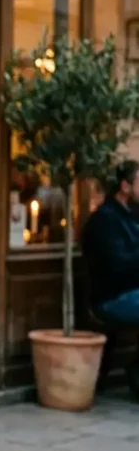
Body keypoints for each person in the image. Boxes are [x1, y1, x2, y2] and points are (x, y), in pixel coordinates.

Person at [82, 159, 139, 396]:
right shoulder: (104, 220)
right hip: (113, 297)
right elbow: (118, 267)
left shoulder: (133, 215)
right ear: (125, 187)